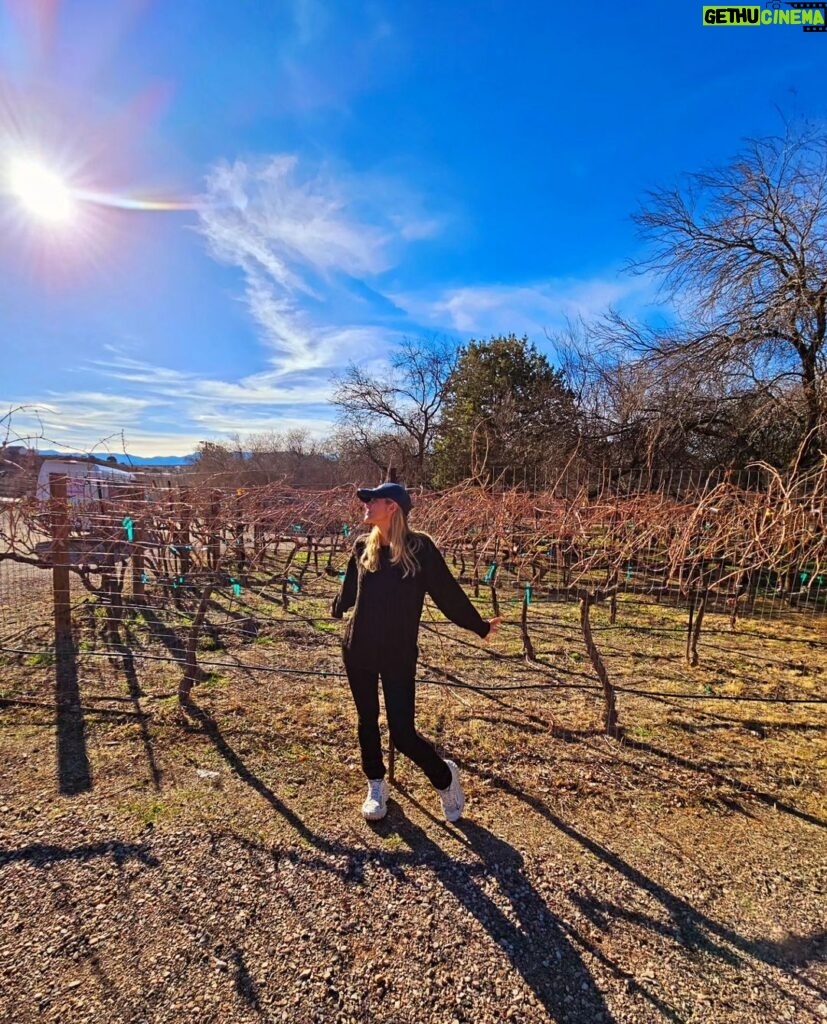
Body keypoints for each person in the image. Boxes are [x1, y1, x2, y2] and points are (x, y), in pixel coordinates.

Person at [332, 482, 501, 822]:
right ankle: (376, 785)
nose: (365, 505)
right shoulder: (362, 545)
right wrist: (337, 608)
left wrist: (479, 626)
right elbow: (351, 588)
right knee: (367, 722)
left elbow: (447, 594)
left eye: (372, 500)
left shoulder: (419, 549)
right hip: (358, 649)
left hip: (397, 654)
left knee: (403, 733)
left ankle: (444, 777)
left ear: (391, 506)